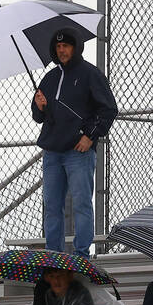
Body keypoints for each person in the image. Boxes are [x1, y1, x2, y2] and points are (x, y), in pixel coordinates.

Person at [31, 29, 117, 257]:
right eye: (58, 47)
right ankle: (53, 254)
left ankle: (81, 254)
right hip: (52, 152)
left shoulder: (90, 74)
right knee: (51, 206)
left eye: (66, 46)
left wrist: (90, 135)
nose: (62, 50)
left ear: (76, 47)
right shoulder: (49, 78)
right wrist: (39, 106)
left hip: (78, 153)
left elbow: (108, 109)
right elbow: (39, 117)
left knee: (81, 204)